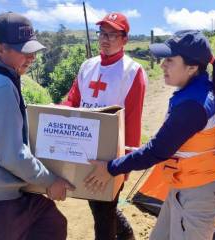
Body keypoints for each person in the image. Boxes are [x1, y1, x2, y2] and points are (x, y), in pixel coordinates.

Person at [85, 30, 215, 240]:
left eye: (170, 60)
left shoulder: (193, 104)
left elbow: (157, 150)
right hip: (186, 187)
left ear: (192, 67)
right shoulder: (195, 92)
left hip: (201, 195)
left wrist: (110, 168)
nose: (162, 65)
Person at [0, 12, 74, 240]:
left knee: (52, 224)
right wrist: (51, 181)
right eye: (24, 50)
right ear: (0, 49)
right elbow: (11, 155)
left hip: (9, 193)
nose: (31, 57)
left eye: (33, 50)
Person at [62, 12, 147, 240]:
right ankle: (126, 233)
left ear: (125, 40)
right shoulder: (87, 66)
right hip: (83, 148)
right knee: (98, 204)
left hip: (111, 154)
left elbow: (133, 120)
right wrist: (57, 112)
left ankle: (123, 233)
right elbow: (73, 100)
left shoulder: (132, 72)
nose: (105, 39)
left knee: (103, 211)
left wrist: (124, 164)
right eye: (102, 33)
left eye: (112, 34)